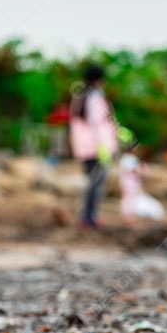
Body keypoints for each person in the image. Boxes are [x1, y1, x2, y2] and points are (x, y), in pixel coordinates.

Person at [69, 64, 118, 229]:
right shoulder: (94, 97)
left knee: (91, 182)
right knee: (96, 184)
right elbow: (97, 123)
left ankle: (88, 216)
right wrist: (103, 146)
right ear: (100, 79)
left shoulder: (80, 96)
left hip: (85, 148)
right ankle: (90, 217)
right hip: (97, 147)